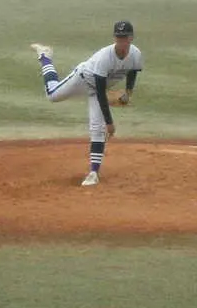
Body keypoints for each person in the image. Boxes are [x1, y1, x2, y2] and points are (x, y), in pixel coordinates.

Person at [30, 21, 144, 187]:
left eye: (124, 37)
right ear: (114, 38)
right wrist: (110, 123)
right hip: (82, 80)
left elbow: (133, 71)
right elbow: (100, 91)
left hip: (99, 88)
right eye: (118, 37)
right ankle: (45, 56)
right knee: (52, 95)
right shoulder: (105, 57)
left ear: (131, 38)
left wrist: (128, 92)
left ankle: (93, 173)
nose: (121, 41)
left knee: (96, 128)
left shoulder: (135, 54)